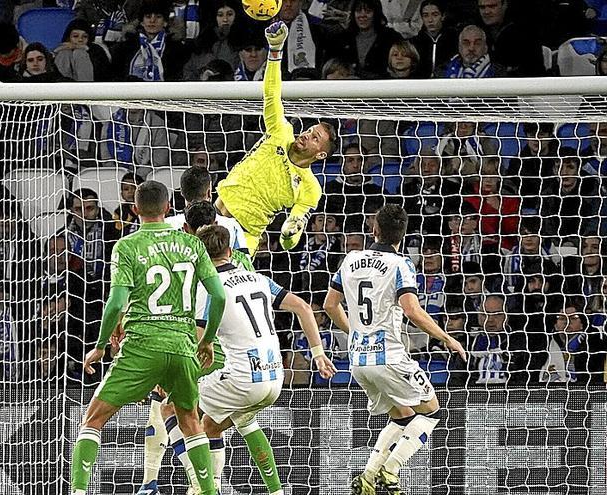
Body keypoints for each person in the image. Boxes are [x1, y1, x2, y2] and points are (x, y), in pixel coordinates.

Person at [69, 180, 227, 495]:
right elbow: (218, 297)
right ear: (168, 208)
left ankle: (77, 491)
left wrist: (100, 346)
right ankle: (209, 491)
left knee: (93, 419)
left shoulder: (126, 246)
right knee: (190, 421)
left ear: (135, 209)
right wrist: (207, 339)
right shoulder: (192, 244)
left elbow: (115, 303)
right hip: (183, 346)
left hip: (141, 346)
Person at [323, 204, 466, 495]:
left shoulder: (350, 259)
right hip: (389, 356)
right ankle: (392, 469)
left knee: (402, 416)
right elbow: (412, 310)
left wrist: (356, 333)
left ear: (373, 230)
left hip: (358, 360)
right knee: (432, 413)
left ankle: (368, 475)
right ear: (402, 236)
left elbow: (329, 305)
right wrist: (447, 338)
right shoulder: (401, 264)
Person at [191, 225, 336, 494]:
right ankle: (275, 491)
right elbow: (304, 307)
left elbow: (196, 343)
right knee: (220, 424)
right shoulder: (257, 278)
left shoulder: (207, 288)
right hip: (274, 375)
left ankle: (204, 489)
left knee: (177, 408)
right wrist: (318, 353)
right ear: (231, 252)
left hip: (243, 380)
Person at [137, 198, 251, 494]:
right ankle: (208, 484)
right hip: (239, 356)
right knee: (218, 424)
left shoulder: (177, 258)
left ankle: (189, 484)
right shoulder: (241, 259)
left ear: (186, 227)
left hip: (194, 349)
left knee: (170, 412)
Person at [214, 21, 337, 256]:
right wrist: (275, 51)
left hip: (244, 238)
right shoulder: (281, 132)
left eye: (315, 138)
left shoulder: (311, 188)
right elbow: (271, 94)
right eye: (310, 130)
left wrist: (290, 232)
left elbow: (288, 242)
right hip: (216, 216)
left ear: (320, 154)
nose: (307, 134)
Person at [410, 0, 456, 77]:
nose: (430, 20)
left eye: (435, 15)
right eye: (426, 15)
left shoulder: (454, 39)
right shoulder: (415, 42)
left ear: (443, 16)